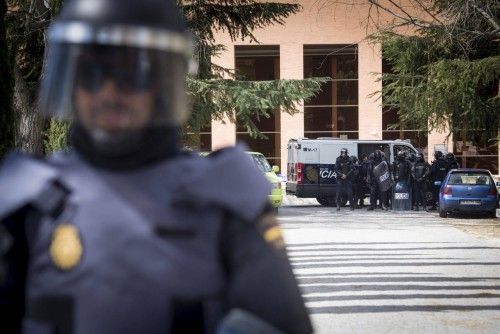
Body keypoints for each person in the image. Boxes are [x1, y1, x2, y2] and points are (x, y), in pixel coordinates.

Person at [0, 1, 312, 333]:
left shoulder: (222, 196)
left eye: (129, 73)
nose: (108, 91)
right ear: (72, 81)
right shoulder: (27, 197)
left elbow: (280, 325)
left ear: (161, 83)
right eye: (91, 73)